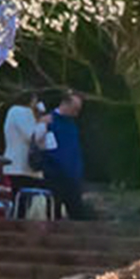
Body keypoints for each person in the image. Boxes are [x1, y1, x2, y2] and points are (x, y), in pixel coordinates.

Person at [42, 91, 88, 220]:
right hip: (54, 173)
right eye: (74, 109)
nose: (76, 113)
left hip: (72, 174)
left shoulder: (72, 125)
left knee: (77, 212)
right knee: (54, 212)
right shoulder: (49, 121)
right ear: (65, 104)